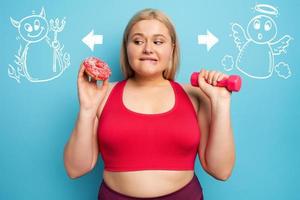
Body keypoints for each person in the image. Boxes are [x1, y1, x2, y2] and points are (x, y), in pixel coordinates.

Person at [64, 8, 235, 200]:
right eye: (137, 41)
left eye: (158, 41)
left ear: (172, 48)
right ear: (126, 47)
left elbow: (221, 171)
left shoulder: (196, 95)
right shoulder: (101, 94)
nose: (147, 48)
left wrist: (221, 103)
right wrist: (87, 109)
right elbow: (75, 169)